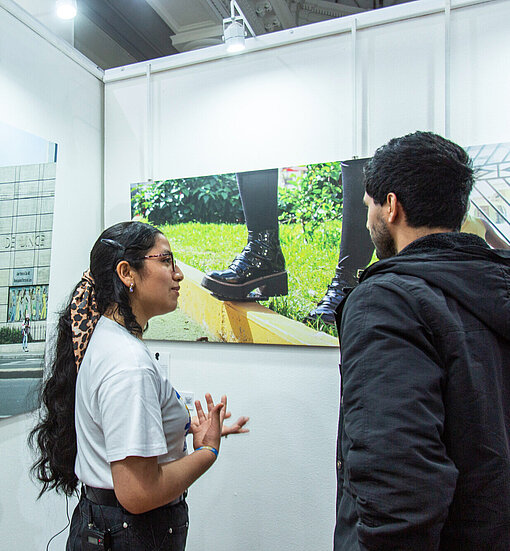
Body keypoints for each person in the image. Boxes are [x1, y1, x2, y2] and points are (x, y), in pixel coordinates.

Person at [334, 131, 510, 550]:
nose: (368, 219)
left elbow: (399, 483)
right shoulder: (495, 286)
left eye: (368, 207)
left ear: (391, 207)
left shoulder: (385, 301)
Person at [29, 221, 249, 551]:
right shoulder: (129, 365)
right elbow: (138, 493)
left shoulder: (106, 339)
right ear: (127, 273)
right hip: (132, 533)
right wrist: (208, 451)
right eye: (165, 261)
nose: (178, 275)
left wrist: (184, 427)